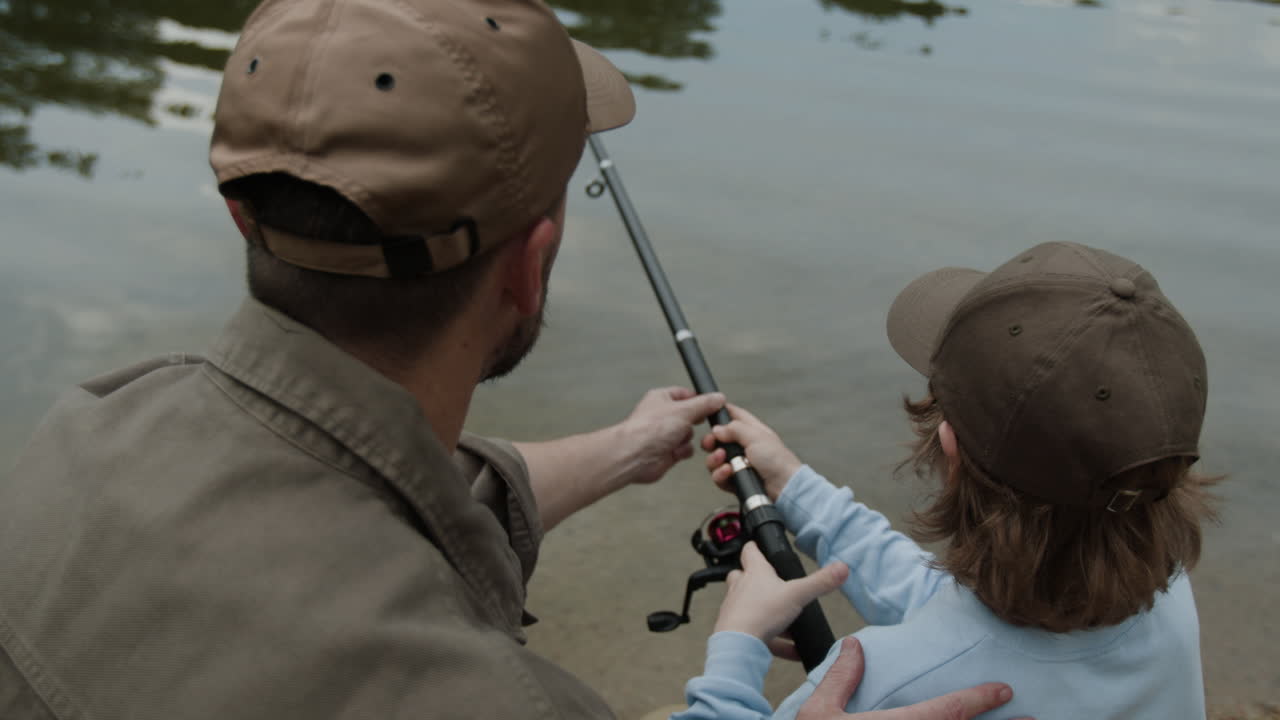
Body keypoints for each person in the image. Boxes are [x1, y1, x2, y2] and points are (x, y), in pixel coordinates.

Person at [0, 1, 1021, 718]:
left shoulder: (83, 432)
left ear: (239, 215)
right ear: (528, 273)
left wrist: (628, 448)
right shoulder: (496, 704)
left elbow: (364, 480)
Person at [680, 242, 1218, 720]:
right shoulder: (1167, 599)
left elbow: (947, 641)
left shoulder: (868, 691)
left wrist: (737, 644)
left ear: (949, 444)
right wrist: (795, 487)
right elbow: (955, 621)